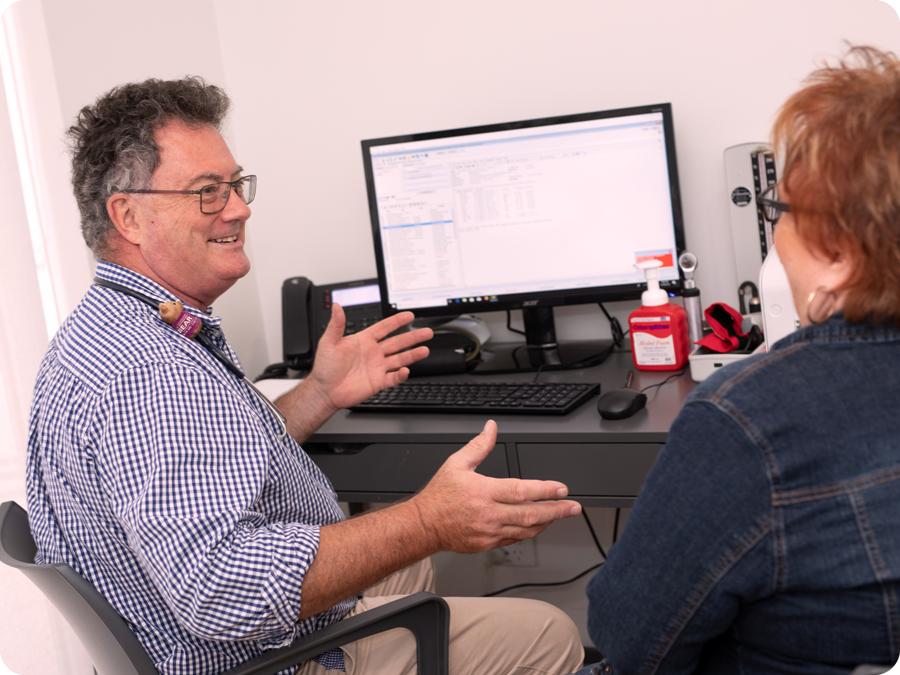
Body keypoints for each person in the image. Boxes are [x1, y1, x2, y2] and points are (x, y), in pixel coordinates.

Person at [25, 77, 585, 675]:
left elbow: (209, 460)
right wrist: (427, 520)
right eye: (207, 192)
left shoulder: (109, 329)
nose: (239, 208)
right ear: (128, 215)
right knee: (548, 632)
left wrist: (320, 392)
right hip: (267, 658)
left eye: (236, 185)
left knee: (412, 560)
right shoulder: (148, 373)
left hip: (199, 641)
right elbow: (221, 594)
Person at [573, 45, 900, 675]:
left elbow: (631, 641)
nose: (775, 231)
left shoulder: (746, 421)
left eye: (780, 211)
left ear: (838, 255)